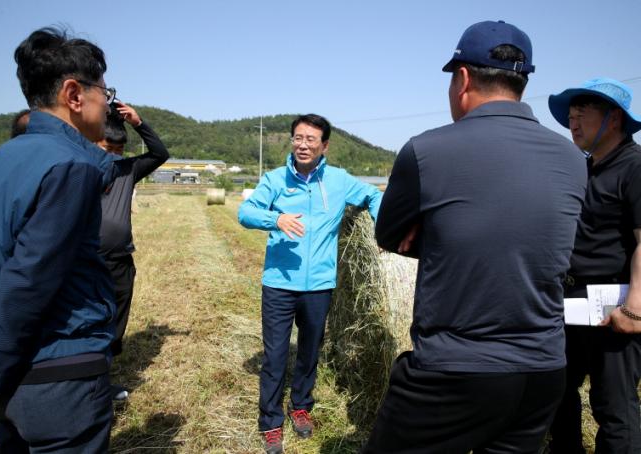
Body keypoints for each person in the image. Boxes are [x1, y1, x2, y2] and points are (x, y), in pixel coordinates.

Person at [363, 20, 587, 453]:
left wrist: (440, 229)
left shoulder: (426, 151)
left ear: (462, 79)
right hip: (543, 373)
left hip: (454, 369)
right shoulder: (573, 158)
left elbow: (390, 235)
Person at [0, 27, 119, 451]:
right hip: (59, 375)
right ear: (74, 94)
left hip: (8, 373)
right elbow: (29, 279)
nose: (108, 104)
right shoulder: (72, 167)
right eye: (105, 92)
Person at [238, 113, 382, 454]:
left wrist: (382, 231)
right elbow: (245, 212)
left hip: (319, 285)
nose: (303, 145)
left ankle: (301, 406)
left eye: (310, 139)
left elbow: (373, 196)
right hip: (279, 283)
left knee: (309, 352)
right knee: (275, 356)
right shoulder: (275, 179)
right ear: (292, 141)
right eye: (298, 138)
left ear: (324, 145)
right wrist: (276, 218)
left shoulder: (339, 180)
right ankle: (271, 423)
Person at [547, 78, 641, 453]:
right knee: (557, 391)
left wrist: (634, 309)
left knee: (613, 406)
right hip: (572, 302)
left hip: (615, 307)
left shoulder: (635, 167)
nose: (573, 123)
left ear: (614, 118)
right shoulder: (585, 168)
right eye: (570, 116)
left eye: (582, 114)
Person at [97, 100, 169, 400]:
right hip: (88, 261)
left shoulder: (127, 170)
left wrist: (139, 123)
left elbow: (160, 154)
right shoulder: (81, 170)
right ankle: (88, 383)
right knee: (90, 322)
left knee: (116, 322)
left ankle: (103, 380)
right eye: (107, 148)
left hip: (120, 260)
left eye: (119, 150)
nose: (113, 155)